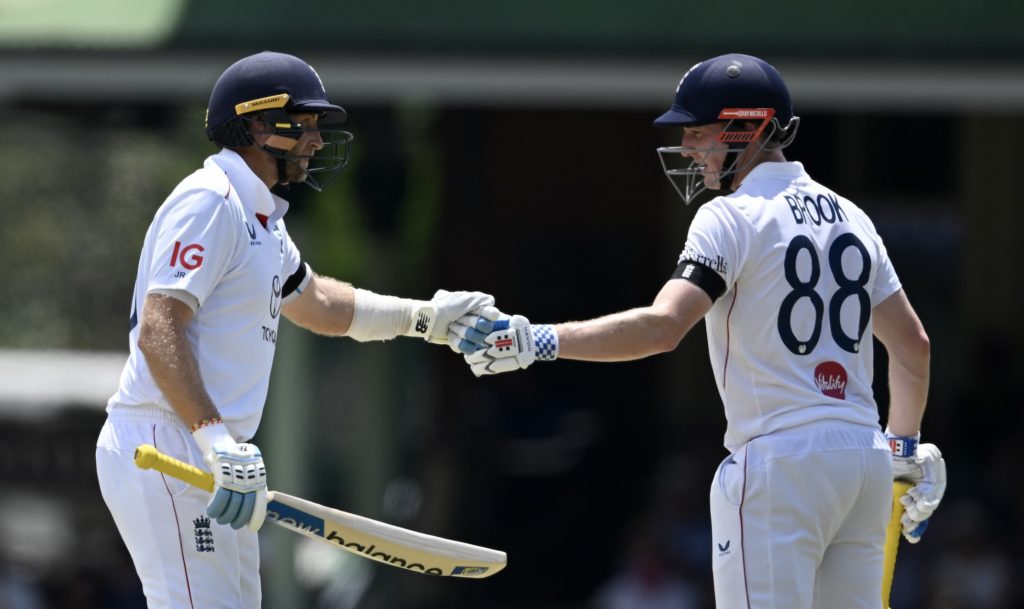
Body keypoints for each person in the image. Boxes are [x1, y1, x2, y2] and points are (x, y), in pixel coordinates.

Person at [466, 53, 947, 609]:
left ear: (749, 126)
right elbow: (914, 346)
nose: (690, 148)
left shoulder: (731, 216)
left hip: (779, 465)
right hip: (862, 459)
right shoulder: (855, 218)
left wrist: (538, 341)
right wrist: (903, 451)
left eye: (699, 132)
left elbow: (663, 327)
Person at [95, 51, 495, 609]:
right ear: (256, 124)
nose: (315, 139)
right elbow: (160, 325)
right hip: (166, 440)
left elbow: (323, 306)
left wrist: (426, 318)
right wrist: (214, 440)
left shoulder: (262, 221)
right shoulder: (212, 202)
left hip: (215, 449)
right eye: (302, 124)